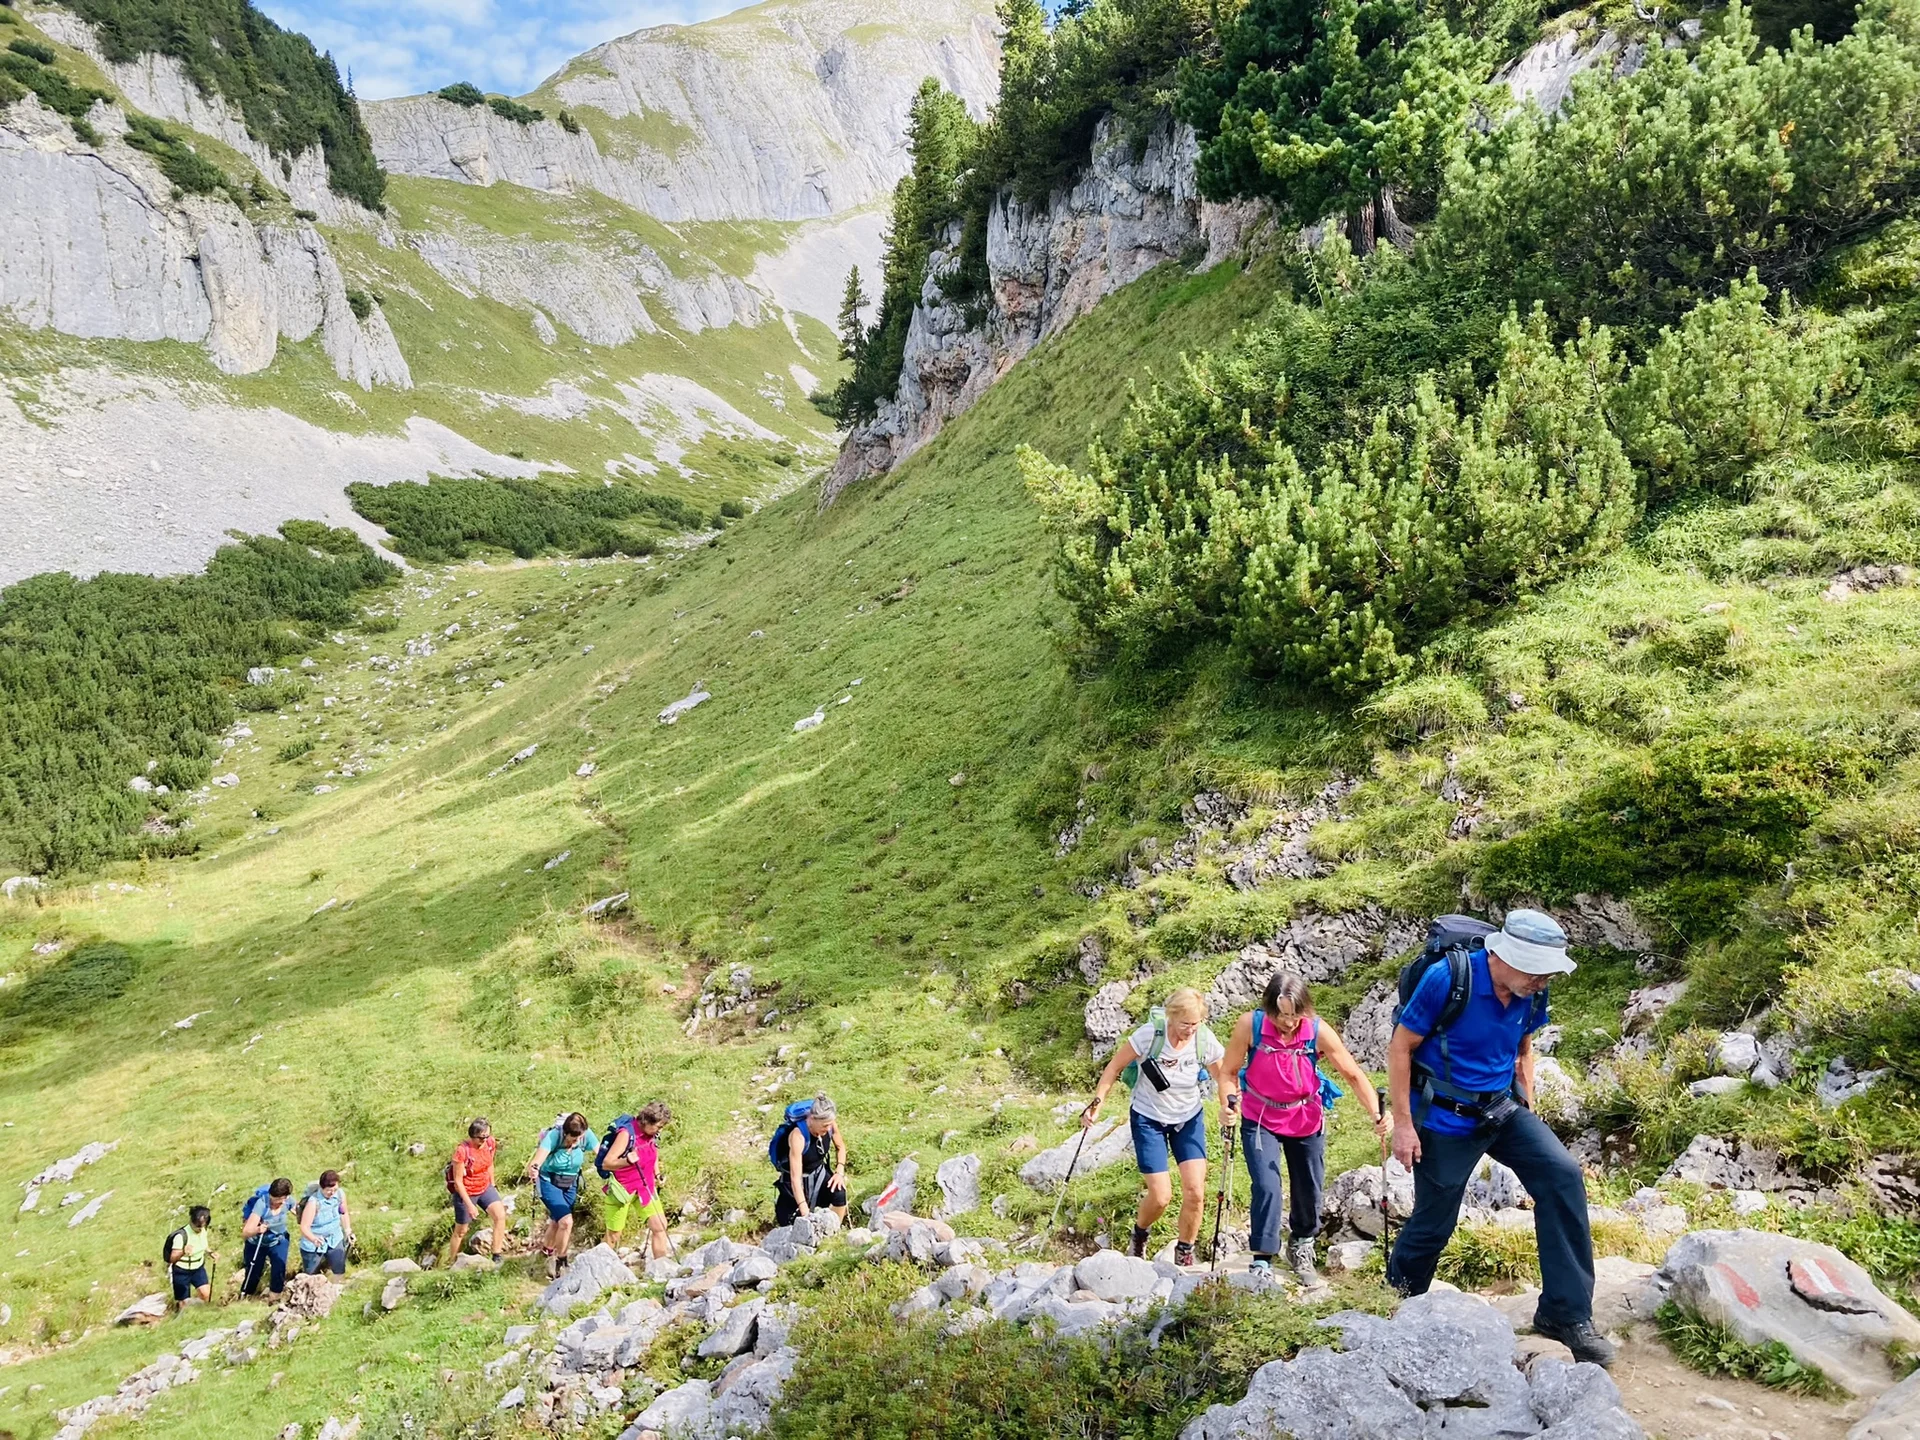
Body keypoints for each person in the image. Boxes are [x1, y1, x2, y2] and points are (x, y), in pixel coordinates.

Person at [1386, 909, 1615, 1367]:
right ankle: (1397, 1303)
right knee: (1435, 1222)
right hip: (1445, 1119)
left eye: (1549, 973)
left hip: (1501, 1109)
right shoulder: (1448, 979)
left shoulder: (1532, 991)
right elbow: (1400, 1047)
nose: (1544, 982)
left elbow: (1523, 1045)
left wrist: (1526, 1103)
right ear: (1507, 957)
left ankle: (1565, 1315)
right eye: (1537, 971)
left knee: (1562, 1176)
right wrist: (1405, 1125)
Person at [1220, 972, 1388, 1285]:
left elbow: (1352, 1074)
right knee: (1267, 1186)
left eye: (1295, 1015)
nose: (1288, 1022)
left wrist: (1377, 1114)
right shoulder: (1250, 1026)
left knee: (1309, 1186)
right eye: (1281, 1015)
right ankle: (1262, 1257)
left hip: (1304, 1116)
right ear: (1269, 1010)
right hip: (1260, 1116)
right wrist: (1228, 1104)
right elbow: (1228, 1072)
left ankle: (1301, 1245)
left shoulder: (1316, 1030)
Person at [1083, 987, 1232, 1267]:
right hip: (1148, 1117)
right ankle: (1139, 1235)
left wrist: (1227, 1105)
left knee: (1196, 1192)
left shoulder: (1204, 1039)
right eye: (1185, 1023)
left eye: (1195, 1023)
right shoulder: (1149, 1035)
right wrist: (1097, 1102)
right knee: (1161, 1196)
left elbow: (1224, 1075)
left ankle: (1184, 1253)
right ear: (1171, 1017)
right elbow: (1114, 1067)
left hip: (1188, 1118)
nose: (1190, 1029)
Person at [528, 1112, 597, 1278]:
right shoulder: (553, 1136)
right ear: (565, 1133)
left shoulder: (586, 1135)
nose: (577, 1142)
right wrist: (534, 1168)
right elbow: (538, 1159)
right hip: (548, 1181)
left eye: (580, 1138)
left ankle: (546, 1252)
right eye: (573, 1139)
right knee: (566, 1222)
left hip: (570, 1182)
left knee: (556, 1222)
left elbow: (600, 1153)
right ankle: (562, 1261)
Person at [599, 1102, 672, 1258]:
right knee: (613, 1236)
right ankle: (595, 1267)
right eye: (658, 1127)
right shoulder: (626, 1134)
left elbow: (653, 1152)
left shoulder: (651, 1134)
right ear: (647, 1121)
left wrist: (657, 1174)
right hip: (622, 1190)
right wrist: (627, 1161)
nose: (659, 1131)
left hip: (645, 1188)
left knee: (660, 1226)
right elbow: (607, 1163)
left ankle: (662, 1269)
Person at [773, 1094, 847, 1228]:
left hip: (819, 1172)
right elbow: (796, 1179)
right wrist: (805, 1211)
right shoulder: (798, 1136)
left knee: (839, 1192)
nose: (827, 1128)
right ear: (812, 1119)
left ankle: (833, 1233)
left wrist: (839, 1172)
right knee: (789, 1221)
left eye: (829, 1125)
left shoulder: (830, 1125)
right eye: (824, 1125)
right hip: (795, 1181)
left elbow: (840, 1147)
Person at [446, 1118, 508, 1267]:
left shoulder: (490, 1144)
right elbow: (458, 1181)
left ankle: (497, 1254)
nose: (484, 1140)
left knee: (500, 1216)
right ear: (472, 1136)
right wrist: (470, 1205)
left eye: (487, 1136)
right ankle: (452, 1261)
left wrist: (492, 1184)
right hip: (466, 1192)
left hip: (484, 1186)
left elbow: (490, 1164)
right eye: (481, 1138)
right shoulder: (462, 1152)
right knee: (461, 1230)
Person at [240, 1177, 296, 1300]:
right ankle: (246, 1296)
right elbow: (246, 1232)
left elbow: (299, 1213)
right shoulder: (261, 1204)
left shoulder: (288, 1201)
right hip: (256, 1243)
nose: (273, 1201)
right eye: (272, 1198)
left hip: (278, 1239)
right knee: (254, 1271)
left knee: (279, 1268)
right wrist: (258, 1230)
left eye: (277, 1199)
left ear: (285, 1197)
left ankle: (274, 1298)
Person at [298, 1170, 353, 1276]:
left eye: (335, 1189)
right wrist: (313, 1239)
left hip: (335, 1237)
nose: (332, 1193)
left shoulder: (340, 1195)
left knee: (339, 1269)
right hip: (313, 1244)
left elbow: (343, 1213)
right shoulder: (313, 1202)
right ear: (322, 1188)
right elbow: (304, 1227)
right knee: (311, 1274)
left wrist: (348, 1231)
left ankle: (337, 1288)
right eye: (329, 1190)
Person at [165, 1205, 213, 1310]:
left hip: (198, 1268)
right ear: (191, 1221)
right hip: (181, 1271)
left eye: (202, 1226)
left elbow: (203, 1245)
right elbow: (172, 1258)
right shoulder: (181, 1236)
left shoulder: (203, 1230)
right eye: (197, 1226)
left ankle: (202, 1313)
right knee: (183, 1303)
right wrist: (183, 1252)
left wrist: (211, 1253)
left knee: (206, 1294)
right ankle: (184, 1317)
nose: (199, 1229)